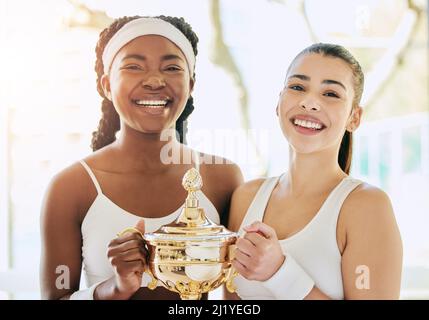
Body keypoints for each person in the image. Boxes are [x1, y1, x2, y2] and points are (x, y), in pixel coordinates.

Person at [40, 15, 243, 300]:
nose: (155, 80)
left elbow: (237, 298)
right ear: (107, 85)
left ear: (191, 84)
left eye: (172, 67)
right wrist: (116, 287)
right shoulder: (71, 188)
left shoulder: (222, 178)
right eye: (134, 66)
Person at [225, 43, 402, 300]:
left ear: (354, 117)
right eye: (297, 87)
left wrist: (280, 273)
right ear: (278, 103)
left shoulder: (366, 207)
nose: (309, 102)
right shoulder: (245, 198)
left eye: (330, 93)